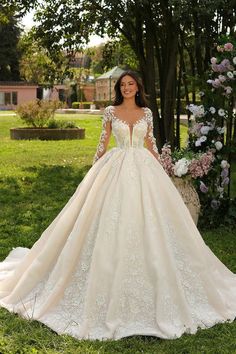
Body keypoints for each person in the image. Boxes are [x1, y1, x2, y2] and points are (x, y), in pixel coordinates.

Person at [0, 70, 235, 341]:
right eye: (123, 85)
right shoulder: (110, 111)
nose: (126, 88)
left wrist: (163, 170)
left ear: (138, 87)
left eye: (131, 84)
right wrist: (93, 169)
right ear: (119, 89)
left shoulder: (146, 113)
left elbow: (151, 145)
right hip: (115, 169)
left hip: (146, 170)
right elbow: (102, 143)